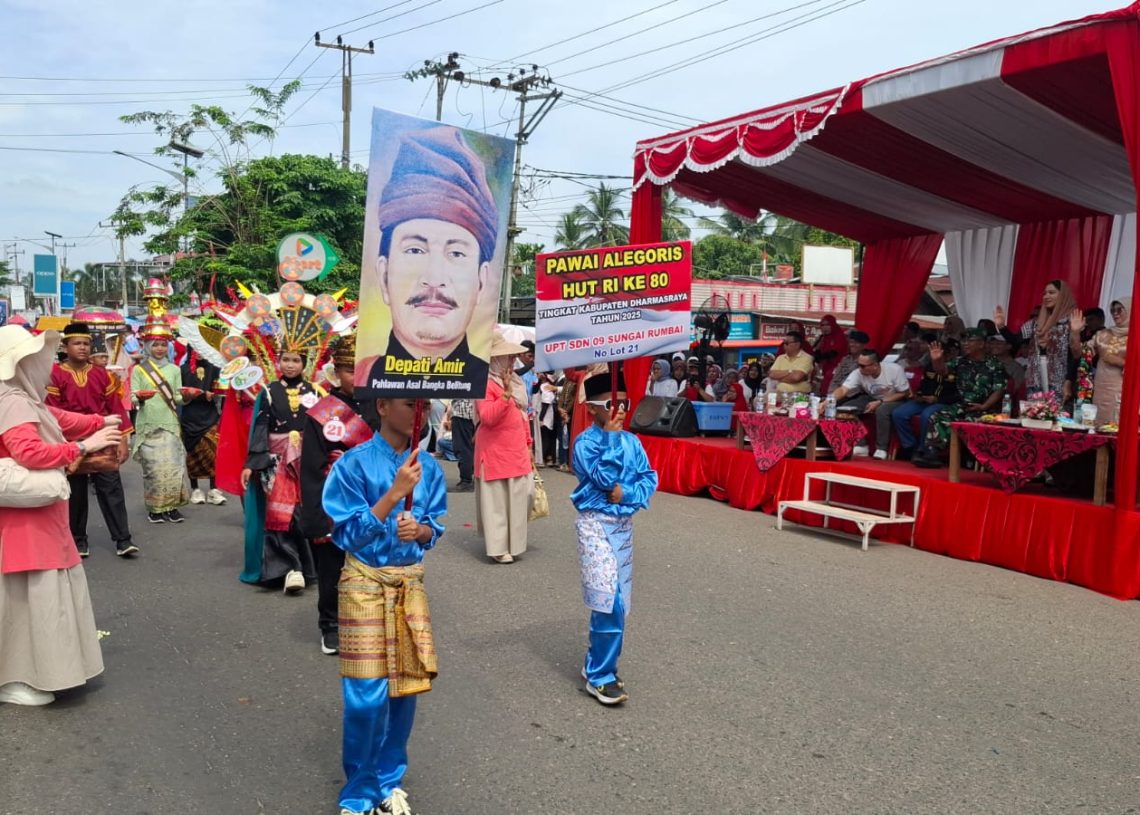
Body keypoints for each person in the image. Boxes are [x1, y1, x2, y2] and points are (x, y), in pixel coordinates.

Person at [322, 398, 446, 815]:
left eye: (425, 404)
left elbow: (436, 526)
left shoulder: (429, 467)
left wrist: (422, 529)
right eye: (411, 403)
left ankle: (390, 780)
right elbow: (346, 535)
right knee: (365, 697)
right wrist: (394, 495)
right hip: (364, 583)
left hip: (408, 583)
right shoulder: (352, 464)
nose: (421, 412)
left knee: (404, 690)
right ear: (383, 405)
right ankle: (359, 792)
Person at [0, 327, 125, 706]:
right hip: (28, 522)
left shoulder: (18, 397)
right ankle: (16, 678)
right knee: (29, 600)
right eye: (38, 358)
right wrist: (83, 447)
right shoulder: (13, 401)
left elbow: (58, 418)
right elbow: (30, 453)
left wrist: (97, 423)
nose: (46, 365)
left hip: (28, 519)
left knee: (24, 600)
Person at [358, 126, 496, 391]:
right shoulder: (362, 380)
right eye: (415, 250)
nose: (434, 279)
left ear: (481, 281)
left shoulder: (489, 388)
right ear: (384, 274)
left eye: (456, 253)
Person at [571, 369, 658, 706]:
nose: (620, 410)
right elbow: (600, 477)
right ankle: (600, 676)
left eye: (624, 402)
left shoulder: (633, 442)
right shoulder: (585, 443)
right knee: (608, 599)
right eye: (611, 403)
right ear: (593, 408)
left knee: (619, 602)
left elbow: (649, 479)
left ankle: (597, 664)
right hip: (594, 524)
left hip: (623, 528)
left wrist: (628, 493)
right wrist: (609, 440)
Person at [300, 334, 378, 657]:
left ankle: (369, 619)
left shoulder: (382, 405)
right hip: (337, 498)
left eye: (361, 370)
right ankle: (330, 624)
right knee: (333, 566)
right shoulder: (322, 412)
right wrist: (318, 516)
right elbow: (311, 467)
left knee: (371, 562)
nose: (355, 377)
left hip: (374, 496)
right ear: (336, 371)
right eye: (349, 370)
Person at [46, 322, 136, 559]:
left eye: (86, 343)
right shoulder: (54, 374)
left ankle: (123, 539)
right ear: (65, 346)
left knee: (111, 487)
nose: (83, 348)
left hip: (104, 436)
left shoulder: (101, 374)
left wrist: (123, 440)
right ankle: (78, 540)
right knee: (75, 493)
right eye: (77, 343)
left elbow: (115, 407)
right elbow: (52, 412)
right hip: (71, 440)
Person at [241, 349, 323, 594]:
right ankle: (289, 569)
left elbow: (323, 427)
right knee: (281, 515)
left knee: (303, 512)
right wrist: (251, 464)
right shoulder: (268, 392)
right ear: (277, 362)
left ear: (304, 364)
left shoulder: (316, 391)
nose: (290, 365)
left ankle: (308, 568)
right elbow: (261, 426)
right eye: (285, 360)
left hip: (307, 461)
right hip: (275, 463)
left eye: (296, 360)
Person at [474, 331, 532, 564]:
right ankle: (498, 548)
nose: (512, 362)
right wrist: (505, 395)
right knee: (496, 501)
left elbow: (523, 417)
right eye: (507, 357)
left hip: (516, 449)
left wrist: (529, 444)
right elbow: (487, 417)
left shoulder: (516, 382)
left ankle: (514, 544)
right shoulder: (484, 384)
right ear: (495, 359)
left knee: (522, 496)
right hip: (494, 451)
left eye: (512, 357)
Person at [913, 329, 1007, 468]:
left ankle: (970, 458)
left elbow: (999, 390)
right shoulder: (960, 361)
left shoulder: (995, 365)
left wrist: (984, 406)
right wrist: (937, 360)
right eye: (964, 341)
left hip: (985, 410)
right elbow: (942, 371)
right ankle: (932, 454)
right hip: (962, 406)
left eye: (970, 341)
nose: (965, 344)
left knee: (970, 422)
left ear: (981, 344)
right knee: (937, 416)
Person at [131, 320, 189, 524]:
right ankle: (155, 509)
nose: (159, 348)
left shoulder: (175, 369)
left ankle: (172, 507)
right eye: (155, 344)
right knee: (153, 470)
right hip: (148, 424)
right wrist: (140, 398)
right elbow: (132, 397)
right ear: (147, 346)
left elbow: (178, 397)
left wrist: (188, 396)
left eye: (163, 344)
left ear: (169, 347)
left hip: (170, 424)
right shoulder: (139, 370)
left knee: (174, 467)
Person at [995, 280, 1076, 398]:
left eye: (1051, 292)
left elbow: (1075, 356)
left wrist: (1068, 382)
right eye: (1044, 293)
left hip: (1060, 383)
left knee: (1056, 416)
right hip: (1035, 382)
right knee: (1032, 415)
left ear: (1063, 295)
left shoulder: (1072, 323)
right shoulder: (1035, 324)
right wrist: (1001, 326)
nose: (1046, 296)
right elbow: (1015, 341)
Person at [829, 350, 911, 459]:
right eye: (858, 364)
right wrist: (828, 401)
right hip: (871, 398)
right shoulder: (858, 372)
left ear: (875, 365)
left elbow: (904, 393)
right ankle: (860, 444)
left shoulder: (894, 369)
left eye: (863, 366)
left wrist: (881, 402)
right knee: (845, 409)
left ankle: (882, 448)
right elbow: (844, 389)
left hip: (896, 398)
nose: (859, 368)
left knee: (882, 410)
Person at [891, 352, 960, 460]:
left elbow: (957, 394)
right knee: (899, 413)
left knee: (927, 415)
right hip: (925, 401)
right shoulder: (929, 367)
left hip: (945, 402)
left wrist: (937, 399)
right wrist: (919, 395)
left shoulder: (956, 369)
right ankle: (910, 446)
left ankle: (923, 449)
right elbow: (923, 385)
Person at [181, 351, 226, 506]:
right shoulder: (184, 369)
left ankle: (214, 489)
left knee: (214, 452)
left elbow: (222, 388)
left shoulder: (216, 368)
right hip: (190, 416)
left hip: (210, 415)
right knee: (192, 454)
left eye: (201, 348)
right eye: (194, 349)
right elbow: (180, 394)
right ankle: (195, 489)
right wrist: (197, 395)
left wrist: (216, 394)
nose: (199, 352)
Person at [1073, 301, 1129, 424]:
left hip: (1123, 392)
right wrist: (1075, 332)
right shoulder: (1102, 335)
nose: (1115, 313)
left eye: (1120, 310)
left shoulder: (1136, 336)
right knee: (1097, 427)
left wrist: (1120, 362)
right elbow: (1079, 353)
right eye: (1113, 310)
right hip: (1099, 391)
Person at [829, 330, 869, 397]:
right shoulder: (845, 359)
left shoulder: (867, 361)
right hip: (837, 394)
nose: (852, 345)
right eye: (851, 342)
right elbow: (836, 379)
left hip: (854, 395)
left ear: (864, 345)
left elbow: (860, 385)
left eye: (856, 342)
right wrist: (831, 395)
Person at [815, 315, 848, 394]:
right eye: (822, 325)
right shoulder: (823, 338)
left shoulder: (839, 335)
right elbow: (817, 351)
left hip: (838, 367)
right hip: (826, 367)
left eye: (827, 325)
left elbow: (833, 353)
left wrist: (820, 356)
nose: (825, 327)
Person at [448, 398, 476, 491]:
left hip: (462, 412)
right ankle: (472, 477)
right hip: (474, 413)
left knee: (463, 447)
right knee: (472, 447)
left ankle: (466, 480)